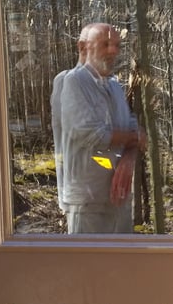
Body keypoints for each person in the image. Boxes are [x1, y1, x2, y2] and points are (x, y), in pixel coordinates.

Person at [59, 22, 146, 234]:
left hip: (120, 200)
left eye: (117, 45)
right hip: (87, 203)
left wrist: (127, 159)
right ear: (82, 47)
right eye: (105, 44)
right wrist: (132, 139)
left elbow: (134, 129)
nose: (114, 51)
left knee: (123, 266)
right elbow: (90, 134)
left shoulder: (114, 85)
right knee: (87, 266)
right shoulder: (73, 82)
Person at [50, 26, 90, 212]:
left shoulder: (106, 84)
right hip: (77, 189)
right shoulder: (65, 81)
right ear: (82, 48)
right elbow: (69, 133)